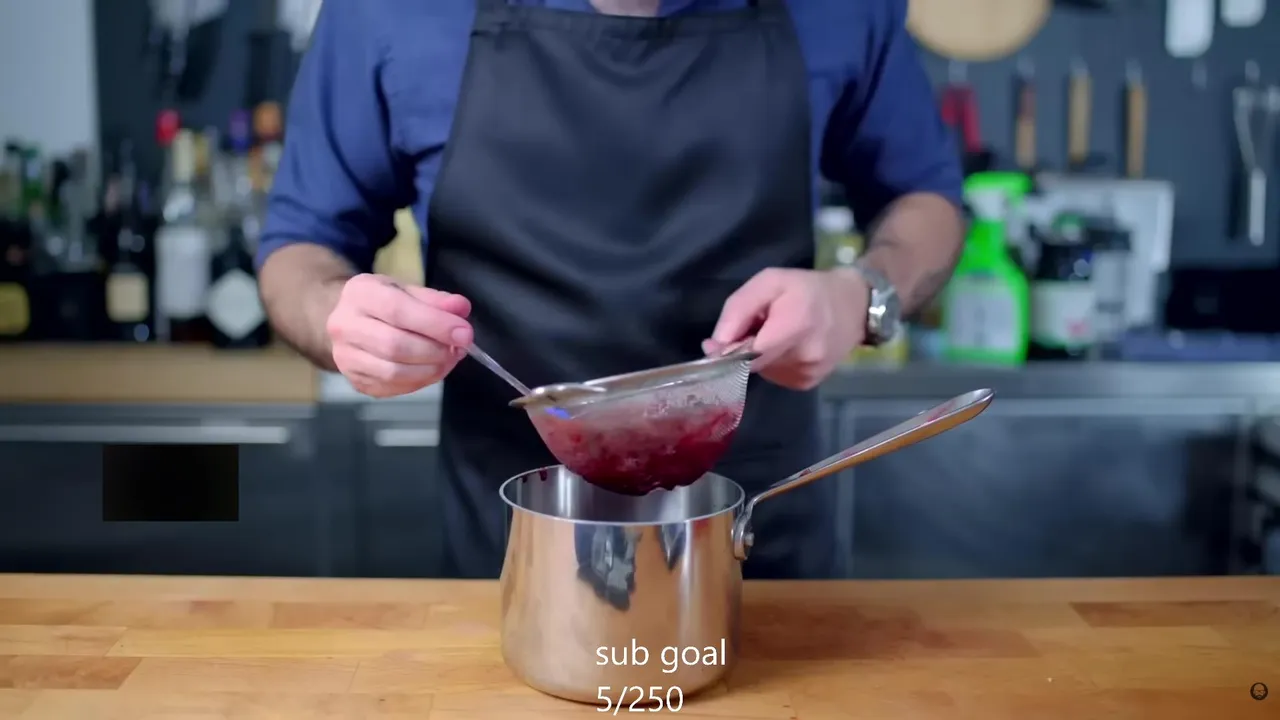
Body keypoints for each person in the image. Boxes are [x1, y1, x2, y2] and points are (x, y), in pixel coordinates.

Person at [257, 0, 966, 581]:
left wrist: (862, 296)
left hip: (758, 538)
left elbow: (927, 199)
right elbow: (298, 247)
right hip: (511, 548)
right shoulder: (387, 11)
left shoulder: (843, 9)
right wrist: (337, 315)